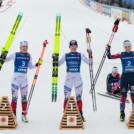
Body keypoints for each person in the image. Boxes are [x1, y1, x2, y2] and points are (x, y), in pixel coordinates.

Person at [1, 41, 42, 123]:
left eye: (26, 46)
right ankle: (14, 115)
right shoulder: (15, 54)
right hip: (15, 80)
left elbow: (30, 67)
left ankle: (23, 115)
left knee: (24, 98)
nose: (25, 48)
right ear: (20, 47)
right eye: (23, 46)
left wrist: (37, 64)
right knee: (14, 98)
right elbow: (4, 60)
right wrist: (3, 54)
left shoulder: (28, 56)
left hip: (24, 80)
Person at [58, 40, 92, 122]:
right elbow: (57, 64)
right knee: (66, 98)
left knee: (79, 97)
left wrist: (90, 55)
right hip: (68, 78)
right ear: (69, 47)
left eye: (75, 45)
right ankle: (65, 114)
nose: (73, 47)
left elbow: (90, 63)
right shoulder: (66, 55)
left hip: (78, 78)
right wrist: (54, 58)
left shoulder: (80, 55)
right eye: (72, 45)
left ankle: (80, 114)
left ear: (77, 47)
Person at [106, 40, 134, 121]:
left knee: (133, 97)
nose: (128, 48)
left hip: (133, 77)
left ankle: (133, 113)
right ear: (124, 47)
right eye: (126, 47)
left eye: (129, 46)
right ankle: (122, 113)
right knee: (123, 97)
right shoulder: (121, 54)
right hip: (124, 77)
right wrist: (108, 50)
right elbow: (110, 57)